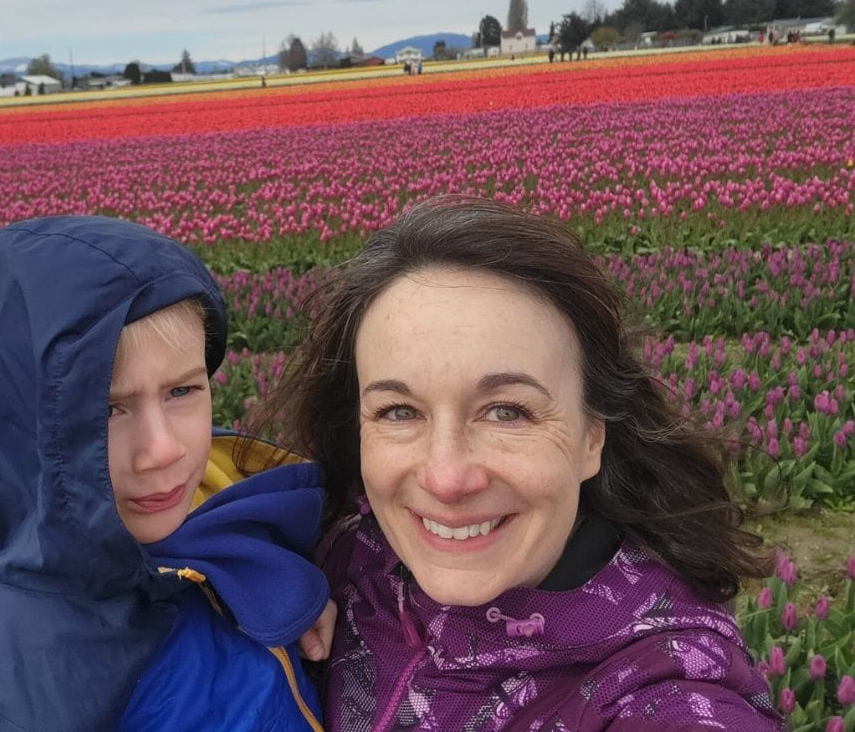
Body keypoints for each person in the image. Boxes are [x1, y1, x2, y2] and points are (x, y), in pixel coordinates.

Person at [259, 197, 782, 730]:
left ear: (592, 437)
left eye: (507, 411)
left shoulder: (658, 689)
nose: (446, 477)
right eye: (399, 411)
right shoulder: (342, 552)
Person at [0, 216, 333, 731]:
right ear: (18, 431)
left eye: (182, 391)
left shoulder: (236, 500)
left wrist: (300, 600)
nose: (160, 451)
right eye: (108, 410)